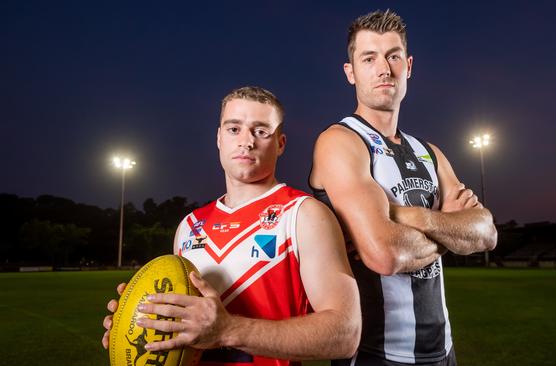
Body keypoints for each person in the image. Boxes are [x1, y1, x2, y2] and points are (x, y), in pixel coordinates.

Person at [102, 86, 361, 365]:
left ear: (281, 143)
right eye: (234, 129)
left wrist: (228, 330)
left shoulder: (303, 214)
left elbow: (345, 333)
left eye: (261, 131)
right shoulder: (189, 226)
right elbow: (182, 326)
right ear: (219, 138)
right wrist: (137, 323)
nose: (246, 141)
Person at [309, 10, 498, 366]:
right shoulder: (340, 141)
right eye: (369, 58)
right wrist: (451, 230)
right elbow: (385, 254)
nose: (384, 68)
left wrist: (406, 216)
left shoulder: (429, 152)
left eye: (393, 56)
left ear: (408, 66)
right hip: (373, 354)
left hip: (444, 351)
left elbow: (486, 233)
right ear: (350, 73)